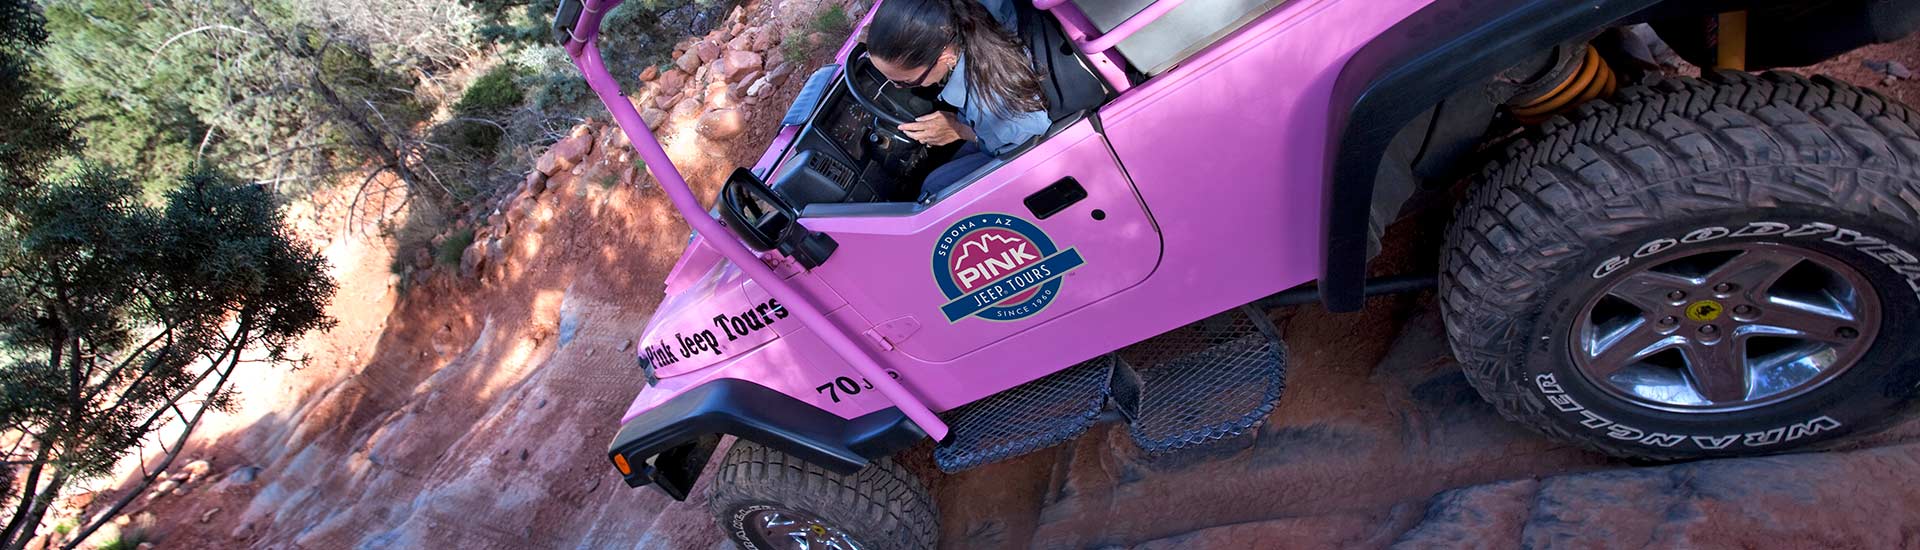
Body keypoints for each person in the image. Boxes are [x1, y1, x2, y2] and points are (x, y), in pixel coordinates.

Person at [866, 0, 1050, 200]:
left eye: (907, 82)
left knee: (936, 186)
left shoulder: (988, 101)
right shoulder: (967, 9)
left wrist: (958, 129)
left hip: (1026, 145)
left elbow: (1027, 149)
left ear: (946, 56)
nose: (896, 87)